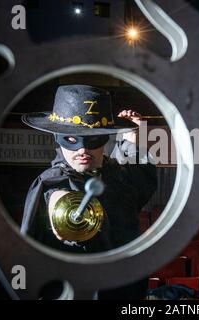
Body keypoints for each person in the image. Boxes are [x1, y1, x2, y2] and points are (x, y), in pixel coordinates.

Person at [20, 85, 157, 299]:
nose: (82, 150)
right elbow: (60, 200)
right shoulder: (50, 183)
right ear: (58, 137)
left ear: (104, 137)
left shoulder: (119, 177)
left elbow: (139, 180)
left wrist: (132, 139)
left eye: (91, 139)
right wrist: (65, 212)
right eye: (72, 140)